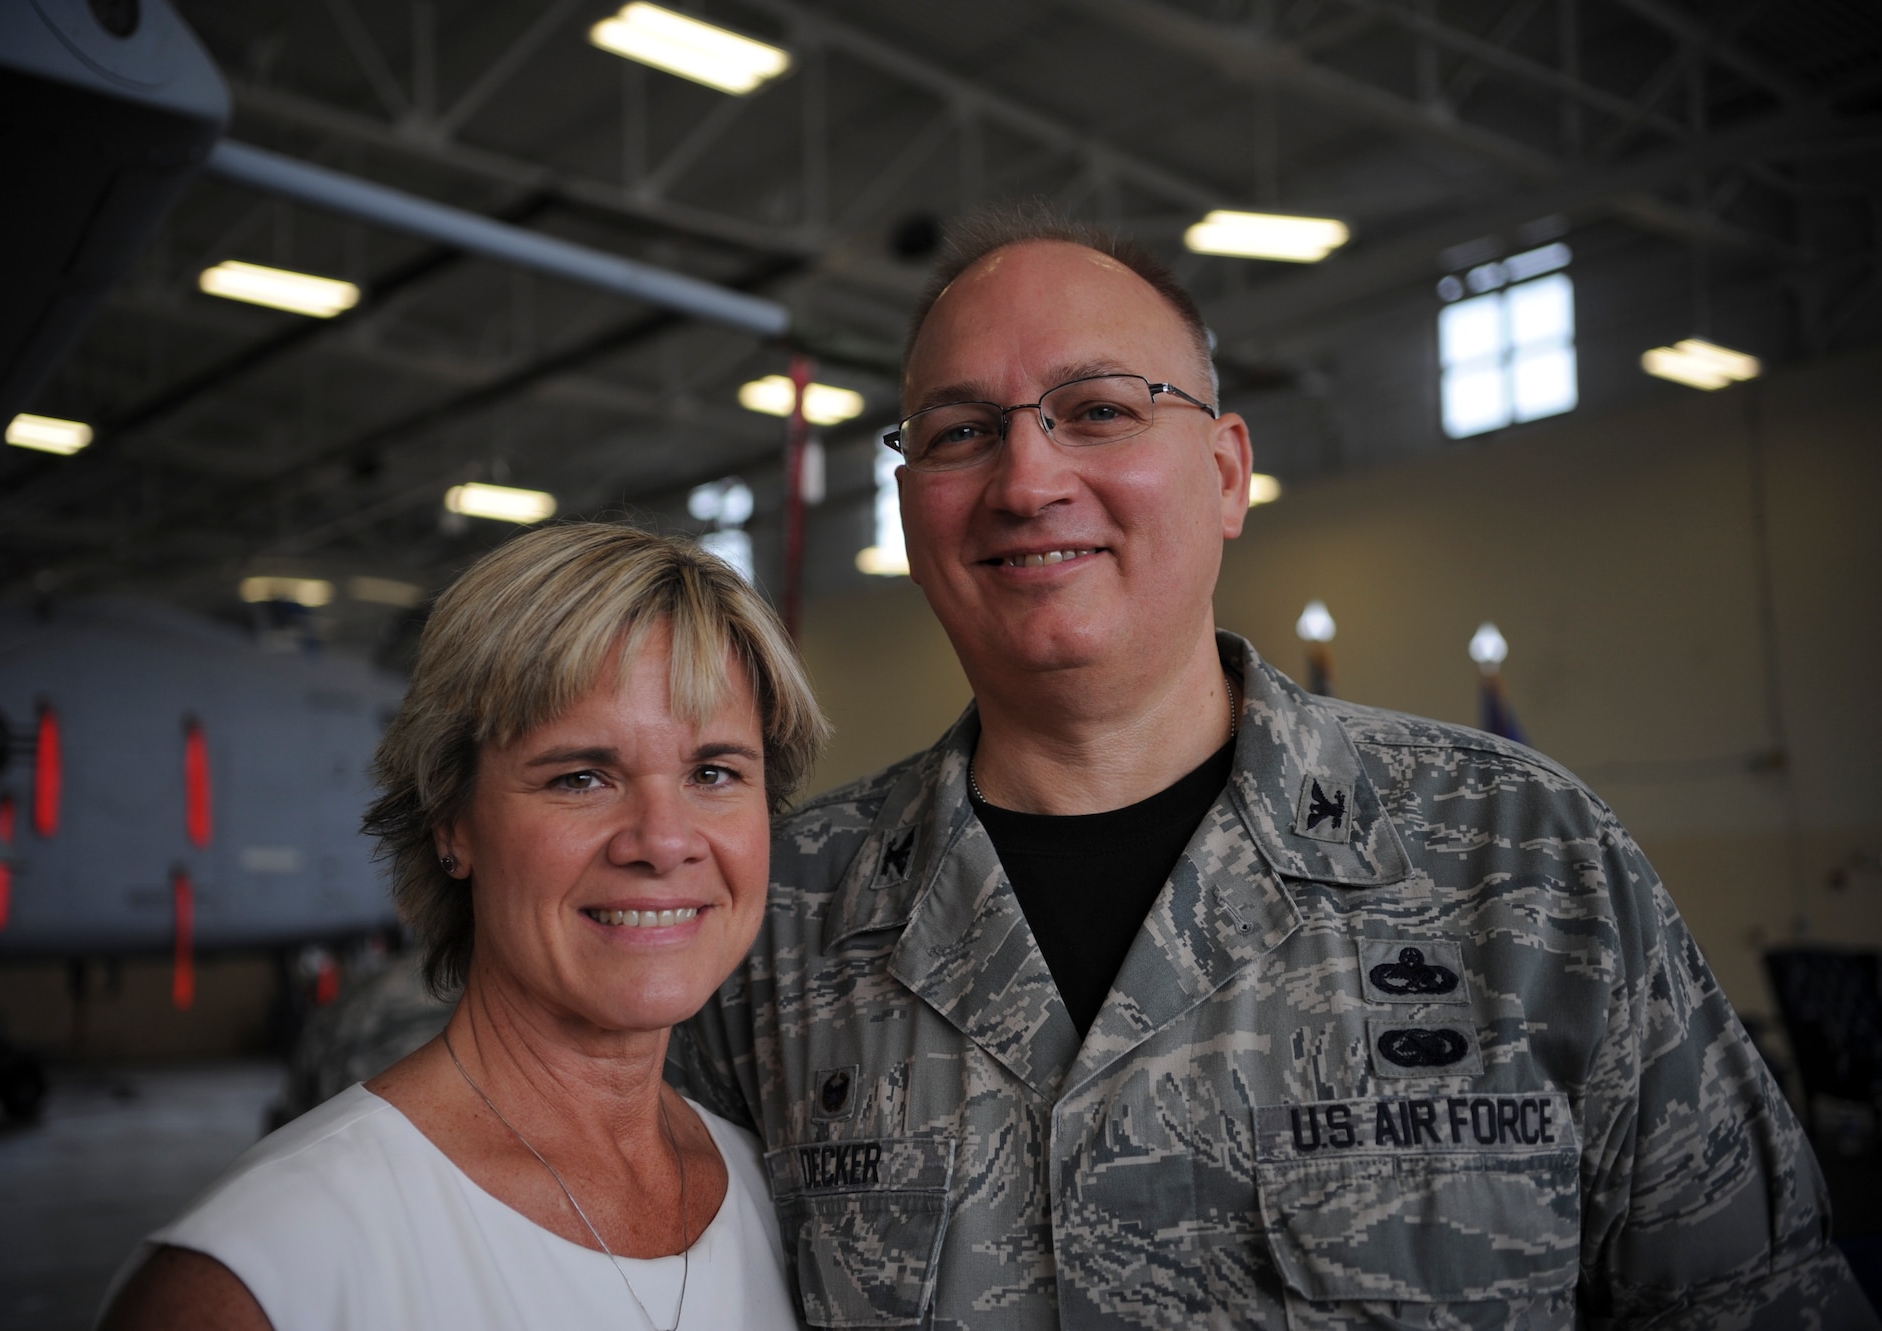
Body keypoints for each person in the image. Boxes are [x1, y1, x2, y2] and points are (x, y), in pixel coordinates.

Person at [675, 208, 1878, 1328]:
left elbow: (1754, 1295)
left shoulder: (1521, 859)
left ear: (1225, 471)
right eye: (960, 431)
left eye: (1095, 409)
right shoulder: (773, 919)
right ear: (908, 502)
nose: (1027, 480)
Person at [102, 522, 827, 1330]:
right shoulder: (261, 1273)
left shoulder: (797, 1206)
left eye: (714, 772)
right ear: (451, 821)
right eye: (582, 776)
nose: (662, 841)